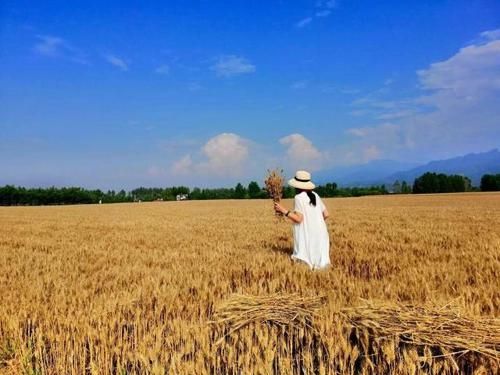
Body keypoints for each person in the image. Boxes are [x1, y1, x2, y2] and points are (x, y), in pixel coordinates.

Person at [274, 170, 331, 270]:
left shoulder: (299, 198)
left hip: (309, 235)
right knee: (321, 265)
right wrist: (314, 222)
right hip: (322, 233)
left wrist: (283, 210)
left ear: (297, 186)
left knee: (307, 264)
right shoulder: (315, 195)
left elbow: (299, 219)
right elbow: (326, 214)